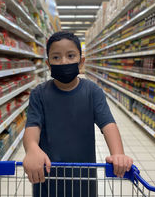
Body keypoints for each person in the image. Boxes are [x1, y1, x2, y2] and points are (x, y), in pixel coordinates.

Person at [23, 31, 133, 196]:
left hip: (84, 177)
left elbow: (108, 124)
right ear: (48, 64)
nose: (64, 61)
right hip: (47, 175)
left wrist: (117, 153)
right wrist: (32, 148)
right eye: (56, 57)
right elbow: (32, 127)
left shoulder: (92, 91)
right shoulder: (39, 93)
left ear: (81, 62)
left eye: (70, 55)